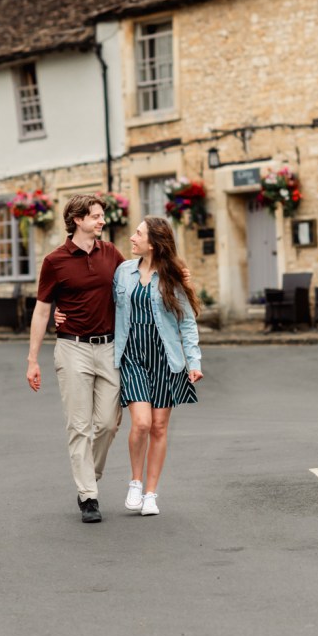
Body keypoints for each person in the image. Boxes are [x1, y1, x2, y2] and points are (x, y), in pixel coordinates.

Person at [26, 194, 124, 524]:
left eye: (101, 215)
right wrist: (32, 360)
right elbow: (41, 311)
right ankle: (88, 495)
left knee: (108, 423)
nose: (101, 220)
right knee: (79, 425)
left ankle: (88, 475)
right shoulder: (55, 261)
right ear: (77, 220)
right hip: (72, 349)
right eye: (95, 216)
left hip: (109, 348)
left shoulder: (111, 253)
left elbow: (131, 288)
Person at [113, 216, 203, 517]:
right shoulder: (123, 272)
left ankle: (151, 493)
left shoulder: (173, 278)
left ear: (152, 243)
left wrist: (194, 362)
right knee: (141, 423)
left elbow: (187, 323)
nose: (132, 238)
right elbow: (103, 307)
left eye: (138, 234)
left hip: (165, 359)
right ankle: (135, 482)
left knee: (160, 427)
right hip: (133, 357)